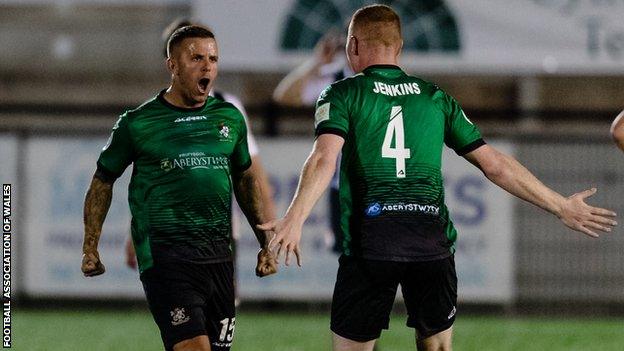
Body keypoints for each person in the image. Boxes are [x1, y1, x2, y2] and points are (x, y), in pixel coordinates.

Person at [259, 5, 618, 351]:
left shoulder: (342, 93)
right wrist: (560, 205)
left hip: (372, 243)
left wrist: (296, 217)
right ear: (399, 47)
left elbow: (324, 157)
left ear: (352, 46)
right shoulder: (435, 97)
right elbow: (494, 164)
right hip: (430, 243)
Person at [81, 25, 277, 351]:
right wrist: (90, 247)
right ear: (172, 65)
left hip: (218, 255)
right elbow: (103, 181)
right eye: (196, 57)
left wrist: (264, 244)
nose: (207, 66)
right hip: (166, 256)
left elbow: (244, 180)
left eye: (213, 58)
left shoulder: (229, 118)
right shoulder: (137, 123)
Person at [125, 18, 276, 271]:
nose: (202, 63)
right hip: (169, 235)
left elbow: (251, 175)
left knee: (220, 311)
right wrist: (135, 234)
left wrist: (268, 237)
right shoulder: (153, 115)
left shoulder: (229, 110)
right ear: (171, 62)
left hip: (219, 235)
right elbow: (147, 183)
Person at [273, 30, 353, 253]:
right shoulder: (332, 79)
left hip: (378, 182)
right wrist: (316, 63)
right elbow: (284, 96)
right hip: (341, 183)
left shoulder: (382, 80)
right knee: (345, 253)